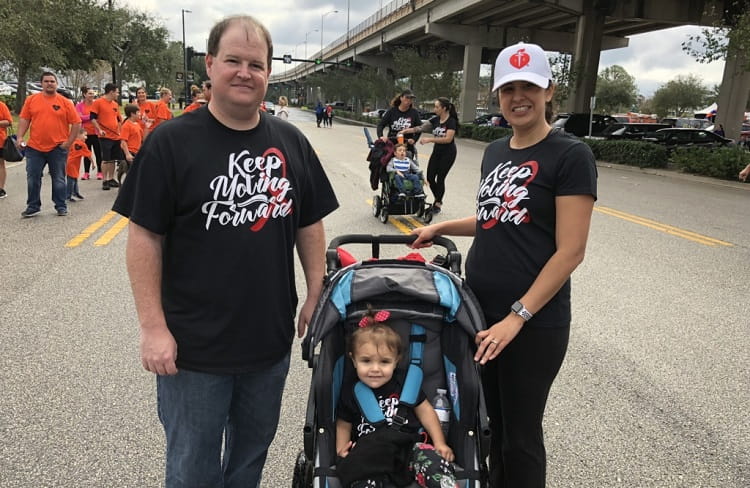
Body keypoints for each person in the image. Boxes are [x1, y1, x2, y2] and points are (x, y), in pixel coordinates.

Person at [112, 14, 338, 488]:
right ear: (210, 65)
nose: (244, 72)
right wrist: (153, 328)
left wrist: (317, 292)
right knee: (193, 468)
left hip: (268, 343)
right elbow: (144, 237)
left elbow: (309, 222)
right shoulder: (170, 142)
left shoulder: (290, 141)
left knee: (248, 460)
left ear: (268, 73)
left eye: (256, 64)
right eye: (233, 60)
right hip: (193, 350)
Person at [410, 42, 597, 488]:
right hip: (480, 312)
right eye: (508, 88)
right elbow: (497, 218)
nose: (518, 97)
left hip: (532, 323)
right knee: (486, 425)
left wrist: (517, 317)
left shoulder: (570, 156)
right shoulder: (496, 152)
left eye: (529, 86)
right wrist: (441, 229)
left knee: (521, 436)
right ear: (497, 96)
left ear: (549, 89)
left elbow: (570, 250)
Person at [335, 310, 455, 488]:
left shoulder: (405, 383)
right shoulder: (351, 391)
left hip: (408, 447)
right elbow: (343, 424)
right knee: (358, 471)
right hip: (369, 452)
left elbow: (426, 412)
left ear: (396, 360)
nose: (375, 369)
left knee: (431, 460)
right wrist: (341, 449)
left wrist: (439, 443)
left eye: (384, 362)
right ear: (353, 360)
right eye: (366, 361)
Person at [16, 71, 81, 217]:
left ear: (56, 84)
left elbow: (76, 123)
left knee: (58, 178)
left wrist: (69, 142)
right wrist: (20, 137)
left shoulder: (64, 102)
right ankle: (33, 206)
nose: (49, 84)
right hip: (34, 147)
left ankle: (60, 205)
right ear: (41, 84)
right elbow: (24, 119)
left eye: (52, 81)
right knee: (33, 177)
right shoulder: (31, 100)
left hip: (57, 148)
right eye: (46, 81)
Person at [401, 97, 458, 215]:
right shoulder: (435, 120)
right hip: (437, 152)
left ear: (444, 108)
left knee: (440, 178)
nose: (435, 109)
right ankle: (438, 199)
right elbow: (421, 127)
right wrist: (407, 131)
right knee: (430, 178)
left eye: (437, 107)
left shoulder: (451, 121)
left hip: (448, 153)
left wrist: (430, 140)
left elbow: (448, 139)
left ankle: (437, 203)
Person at [89, 83, 123, 190]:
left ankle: (111, 178)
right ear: (111, 92)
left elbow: (118, 119)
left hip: (115, 135)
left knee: (113, 159)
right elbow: (92, 118)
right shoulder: (98, 102)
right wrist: (99, 129)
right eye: (117, 92)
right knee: (106, 159)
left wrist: (119, 130)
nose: (118, 94)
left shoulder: (114, 104)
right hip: (105, 136)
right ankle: (105, 180)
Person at [377, 89, 422, 157]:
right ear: (401, 98)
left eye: (411, 98)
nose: (409, 100)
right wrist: (381, 136)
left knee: (406, 164)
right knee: (388, 163)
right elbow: (381, 125)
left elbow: (419, 128)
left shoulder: (414, 113)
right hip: (392, 143)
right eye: (407, 97)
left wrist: (414, 139)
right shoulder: (392, 111)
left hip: (406, 144)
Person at [75, 87, 103, 180]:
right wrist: (91, 117)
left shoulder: (96, 104)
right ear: (84, 95)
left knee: (98, 153)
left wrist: (87, 117)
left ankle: (100, 171)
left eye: (92, 93)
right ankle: (86, 173)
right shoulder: (79, 106)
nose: (92, 95)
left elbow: (100, 116)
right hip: (85, 134)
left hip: (96, 133)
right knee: (86, 153)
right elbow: (79, 118)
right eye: (89, 93)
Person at [66, 128, 90, 201]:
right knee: (71, 179)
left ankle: (75, 192)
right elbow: (88, 154)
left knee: (74, 178)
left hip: (71, 163)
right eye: (85, 135)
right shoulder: (81, 144)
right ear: (78, 135)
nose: (86, 137)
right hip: (72, 164)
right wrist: (92, 163)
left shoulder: (72, 142)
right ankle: (68, 195)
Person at [0, 99, 12, 199]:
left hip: (0, 141)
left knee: (0, 164)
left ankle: (1, 189)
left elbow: (8, 121)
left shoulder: (1, 106)